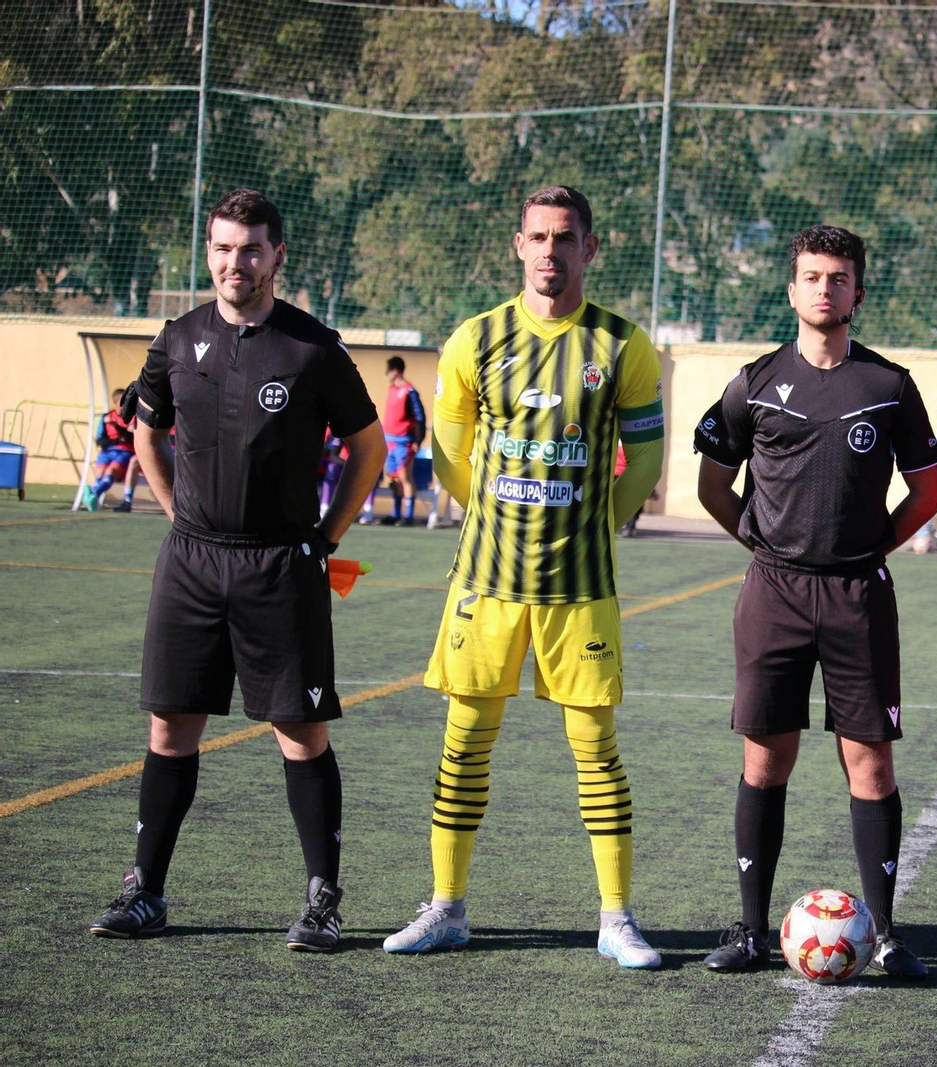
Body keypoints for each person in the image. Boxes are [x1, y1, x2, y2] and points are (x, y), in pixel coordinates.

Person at [87, 188, 386, 951]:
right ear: (209, 253)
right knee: (169, 723)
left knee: (300, 729)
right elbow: (145, 433)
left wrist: (326, 534)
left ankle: (322, 901)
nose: (234, 262)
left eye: (250, 249)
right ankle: (145, 892)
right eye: (222, 248)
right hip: (190, 561)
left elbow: (369, 450)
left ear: (277, 255)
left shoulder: (313, 348)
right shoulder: (175, 338)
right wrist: (175, 512)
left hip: (279, 565)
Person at [383, 186, 666, 968]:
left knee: (595, 746)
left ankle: (615, 918)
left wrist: (594, 524)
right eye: (538, 236)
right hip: (486, 579)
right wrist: (501, 519)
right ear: (518, 245)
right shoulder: (474, 339)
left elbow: (644, 457)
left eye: (566, 237)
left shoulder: (623, 345)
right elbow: (449, 454)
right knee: (464, 740)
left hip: (581, 585)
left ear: (590, 248)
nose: (551, 251)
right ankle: (446, 907)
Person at [694, 224, 937, 977]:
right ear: (792, 287)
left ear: (858, 292)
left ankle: (890, 934)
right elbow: (713, 483)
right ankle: (748, 930)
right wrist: (765, 547)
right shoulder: (755, 381)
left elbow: (928, 491)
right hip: (773, 593)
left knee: (869, 764)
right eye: (812, 276)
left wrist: (871, 551)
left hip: (858, 595)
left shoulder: (889, 385)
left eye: (839, 278)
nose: (825, 289)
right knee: (766, 759)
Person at [378, 355, 427, 526]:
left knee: (405, 476)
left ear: (396, 370)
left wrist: (418, 440)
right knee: (394, 479)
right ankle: (396, 513)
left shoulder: (409, 391)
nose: (387, 373)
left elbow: (420, 416)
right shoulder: (391, 389)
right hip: (389, 441)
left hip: (404, 442)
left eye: (389, 370)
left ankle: (409, 515)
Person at [83, 389, 137, 512]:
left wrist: (117, 427)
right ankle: (93, 499)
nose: (125, 406)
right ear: (115, 403)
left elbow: (130, 437)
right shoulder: (106, 418)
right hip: (107, 452)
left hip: (125, 452)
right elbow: (100, 440)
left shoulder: (132, 418)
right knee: (100, 472)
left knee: (111, 470)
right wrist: (117, 440)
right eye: (122, 403)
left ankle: (93, 493)